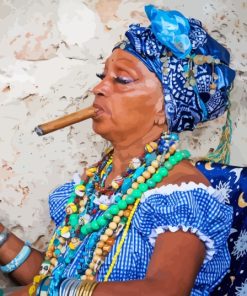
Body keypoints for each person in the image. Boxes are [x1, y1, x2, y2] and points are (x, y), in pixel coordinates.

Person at [0, 4, 236, 296]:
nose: (98, 89)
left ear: (164, 108)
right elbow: (53, 279)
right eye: (102, 77)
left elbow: (166, 291)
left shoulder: (182, 194)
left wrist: (49, 293)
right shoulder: (94, 184)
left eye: (122, 80)